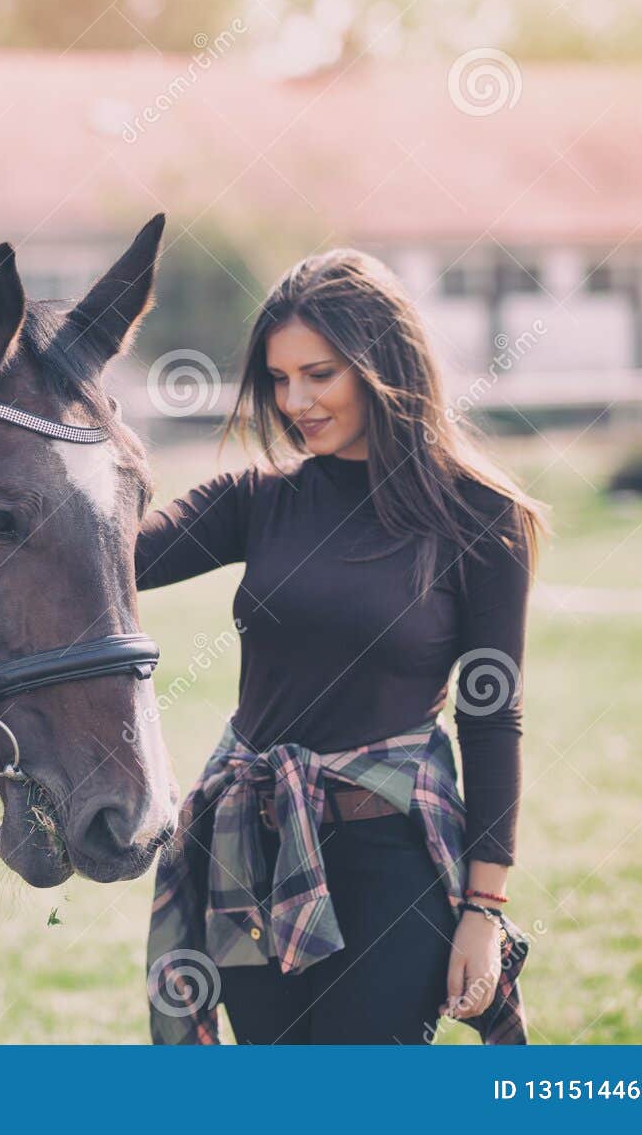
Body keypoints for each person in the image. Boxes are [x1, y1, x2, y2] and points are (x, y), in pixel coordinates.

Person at [139, 249, 544, 1045]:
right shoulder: (257, 499)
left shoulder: (481, 517)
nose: (295, 400)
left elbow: (493, 720)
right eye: (280, 378)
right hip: (247, 850)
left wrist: (482, 912)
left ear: (381, 362)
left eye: (319, 374)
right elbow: (104, 555)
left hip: (389, 858)